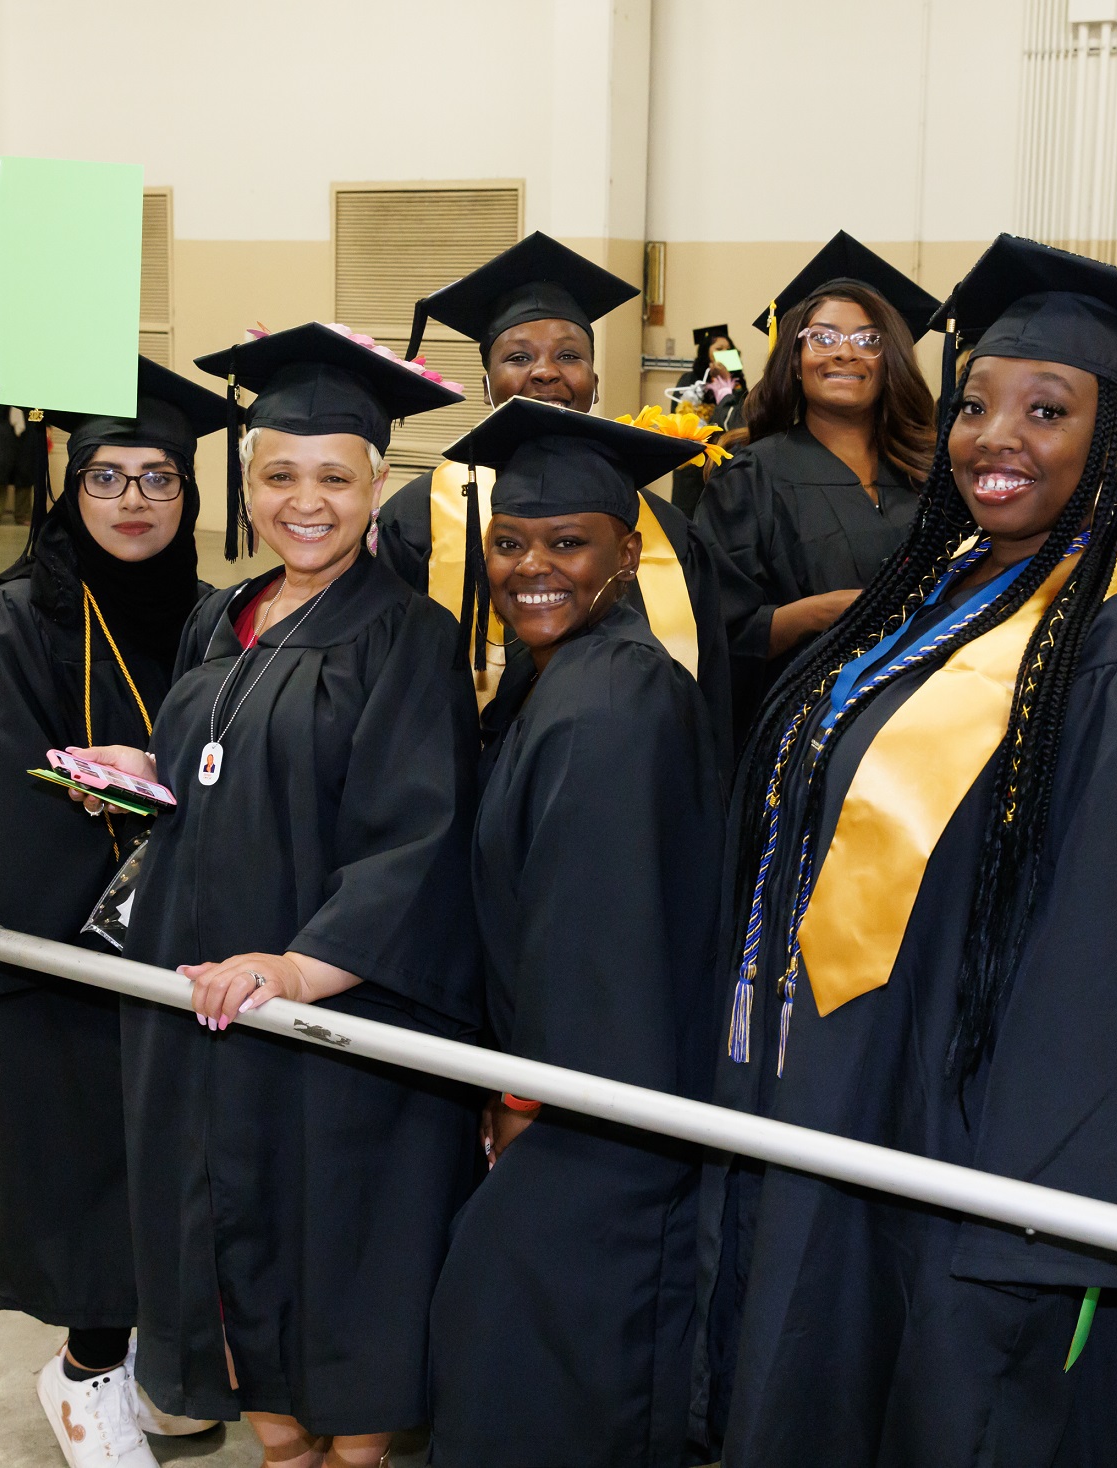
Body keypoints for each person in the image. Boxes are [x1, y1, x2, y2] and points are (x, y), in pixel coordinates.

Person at [697, 236, 1117, 1466]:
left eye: (1046, 410)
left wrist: (1039, 1224)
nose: (995, 437)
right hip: (829, 1094)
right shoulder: (938, 594)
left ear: (1110, 443)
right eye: (975, 404)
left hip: (958, 1157)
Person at [71, 323, 480, 1468]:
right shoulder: (225, 616)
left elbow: (420, 836)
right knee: (232, 1277)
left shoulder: (407, 636)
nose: (307, 502)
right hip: (209, 1014)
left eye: (335, 478)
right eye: (280, 475)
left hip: (330, 1026)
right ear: (246, 482)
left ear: (379, 484)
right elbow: (224, 773)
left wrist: (295, 968)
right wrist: (144, 778)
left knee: (342, 1282)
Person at [0, 357, 225, 1467]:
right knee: (96, 1171)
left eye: (159, 477)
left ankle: (147, 1360)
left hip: (185, 949)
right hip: (74, 958)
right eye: (108, 476)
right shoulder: (16, 621)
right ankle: (85, 1373)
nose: (135, 501)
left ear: (191, 494)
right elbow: (3, 792)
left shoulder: (214, 618)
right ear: (70, 483)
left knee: (169, 1166)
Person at [425, 401, 724, 1468]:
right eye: (508, 543)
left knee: (556, 1388)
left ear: (628, 551)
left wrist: (518, 1106)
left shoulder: (608, 705)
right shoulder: (573, 675)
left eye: (566, 543)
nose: (529, 566)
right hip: (595, 1108)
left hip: (598, 1126)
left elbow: (592, 945)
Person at [377, 231, 746, 754]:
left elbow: (712, 706)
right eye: (519, 356)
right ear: (486, 383)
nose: (546, 371)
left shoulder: (666, 531)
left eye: (569, 355)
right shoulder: (418, 519)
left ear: (595, 382)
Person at [691, 231, 942, 740]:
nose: (845, 353)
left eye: (868, 339)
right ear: (795, 357)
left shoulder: (933, 473)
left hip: (921, 727)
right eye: (823, 337)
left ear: (890, 358)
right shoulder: (751, 475)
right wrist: (819, 613)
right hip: (795, 735)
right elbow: (715, 630)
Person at [671, 322, 747, 518]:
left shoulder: (739, 387)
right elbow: (679, 421)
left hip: (723, 467)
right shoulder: (690, 381)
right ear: (707, 354)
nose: (725, 352)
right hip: (693, 467)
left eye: (728, 349)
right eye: (719, 349)